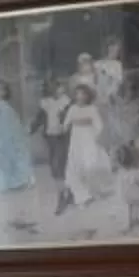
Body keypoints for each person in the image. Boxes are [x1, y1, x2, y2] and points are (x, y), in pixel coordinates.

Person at [63, 81, 116, 213]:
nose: (80, 97)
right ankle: (81, 196)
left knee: (90, 165)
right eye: (77, 94)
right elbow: (66, 124)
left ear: (88, 96)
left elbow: (99, 125)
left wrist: (96, 136)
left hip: (89, 139)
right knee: (77, 167)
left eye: (83, 94)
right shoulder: (72, 109)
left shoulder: (92, 109)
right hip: (76, 141)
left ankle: (95, 190)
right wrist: (63, 127)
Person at [38, 81, 78, 210]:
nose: (57, 90)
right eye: (54, 87)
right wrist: (31, 128)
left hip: (63, 137)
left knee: (61, 165)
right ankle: (66, 193)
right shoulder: (45, 103)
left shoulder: (67, 102)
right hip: (51, 137)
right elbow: (40, 117)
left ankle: (64, 196)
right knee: (55, 167)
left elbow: (72, 118)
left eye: (59, 87)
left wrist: (66, 124)